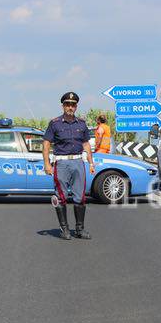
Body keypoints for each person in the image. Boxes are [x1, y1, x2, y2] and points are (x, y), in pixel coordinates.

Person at [43, 92, 95, 240]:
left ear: (76, 106)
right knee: (61, 197)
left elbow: (86, 144)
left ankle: (79, 229)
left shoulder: (81, 123)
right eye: (67, 104)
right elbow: (46, 144)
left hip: (78, 162)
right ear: (63, 106)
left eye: (72, 105)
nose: (70, 107)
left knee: (80, 197)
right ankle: (64, 229)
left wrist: (91, 163)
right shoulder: (55, 123)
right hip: (61, 163)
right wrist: (47, 164)